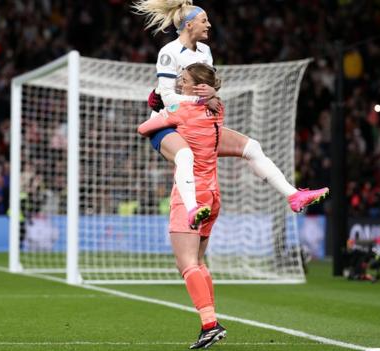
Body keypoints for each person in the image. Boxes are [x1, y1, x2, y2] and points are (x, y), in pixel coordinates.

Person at [132, 0, 329, 229]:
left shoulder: (205, 51)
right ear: (188, 25)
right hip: (167, 123)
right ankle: (191, 208)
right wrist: (202, 98)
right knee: (185, 156)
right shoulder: (169, 53)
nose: (209, 25)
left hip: (196, 123)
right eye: (204, 20)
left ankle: (293, 195)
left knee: (252, 147)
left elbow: (210, 87)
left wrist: (213, 92)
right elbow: (166, 97)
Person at [138, 63, 226, 349]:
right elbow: (210, 99)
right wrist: (206, 95)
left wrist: (156, 108)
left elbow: (144, 129)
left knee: (186, 264)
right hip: (212, 192)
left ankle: (210, 324)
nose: (179, 84)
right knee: (199, 261)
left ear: (197, 86)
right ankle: (212, 322)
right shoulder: (217, 108)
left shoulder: (180, 111)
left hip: (190, 193)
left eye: (184, 80)